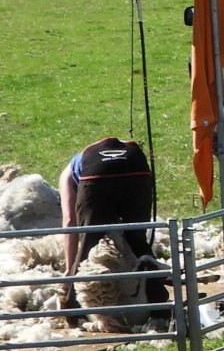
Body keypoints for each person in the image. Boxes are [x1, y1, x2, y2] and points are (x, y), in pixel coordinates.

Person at [58, 136, 168, 319]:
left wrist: (70, 268)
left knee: (89, 242)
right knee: (137, 240)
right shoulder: (94, 156)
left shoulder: (67, 173)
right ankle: (159, 305)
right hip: (137, 168)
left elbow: (70, 220)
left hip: (96, 176)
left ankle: (72, 308)